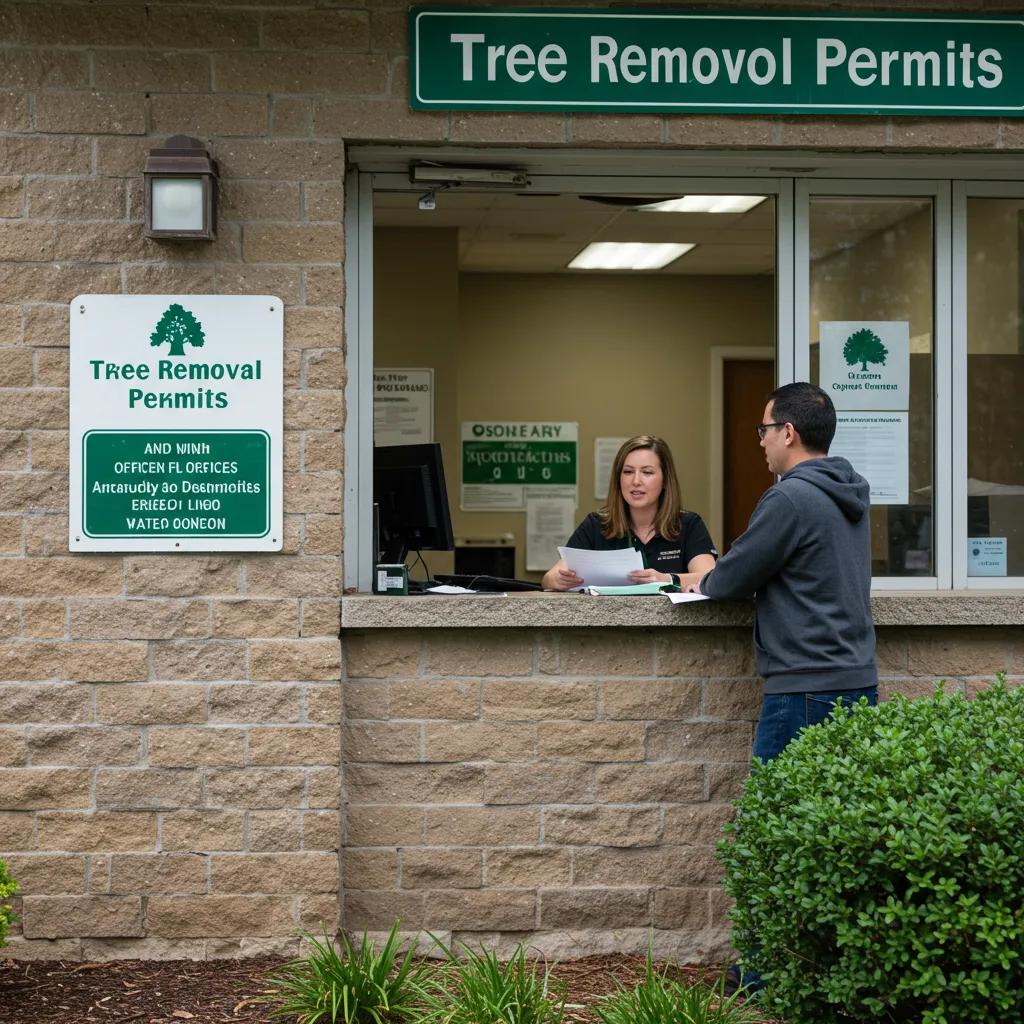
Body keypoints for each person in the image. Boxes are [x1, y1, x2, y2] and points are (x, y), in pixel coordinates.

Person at [677, 381, 878, 997]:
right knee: (834, 835)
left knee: (772, 832)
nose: (761, 443)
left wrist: (700, 573)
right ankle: (827, 973)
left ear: (788, 433)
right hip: (855, 683)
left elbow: (729, 580)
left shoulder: (790, 497)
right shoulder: (848, 490)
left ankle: (765, 977)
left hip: (804, 691)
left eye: (764, 431)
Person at [542, 435, 717, 591]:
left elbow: (709, 577)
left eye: (647, 472)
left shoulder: (688, 524)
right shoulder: (596, 524)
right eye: (628, 472)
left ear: (665, 480)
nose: (636, 481)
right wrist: (557, 580)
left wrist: (667, 579)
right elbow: (549, 578)